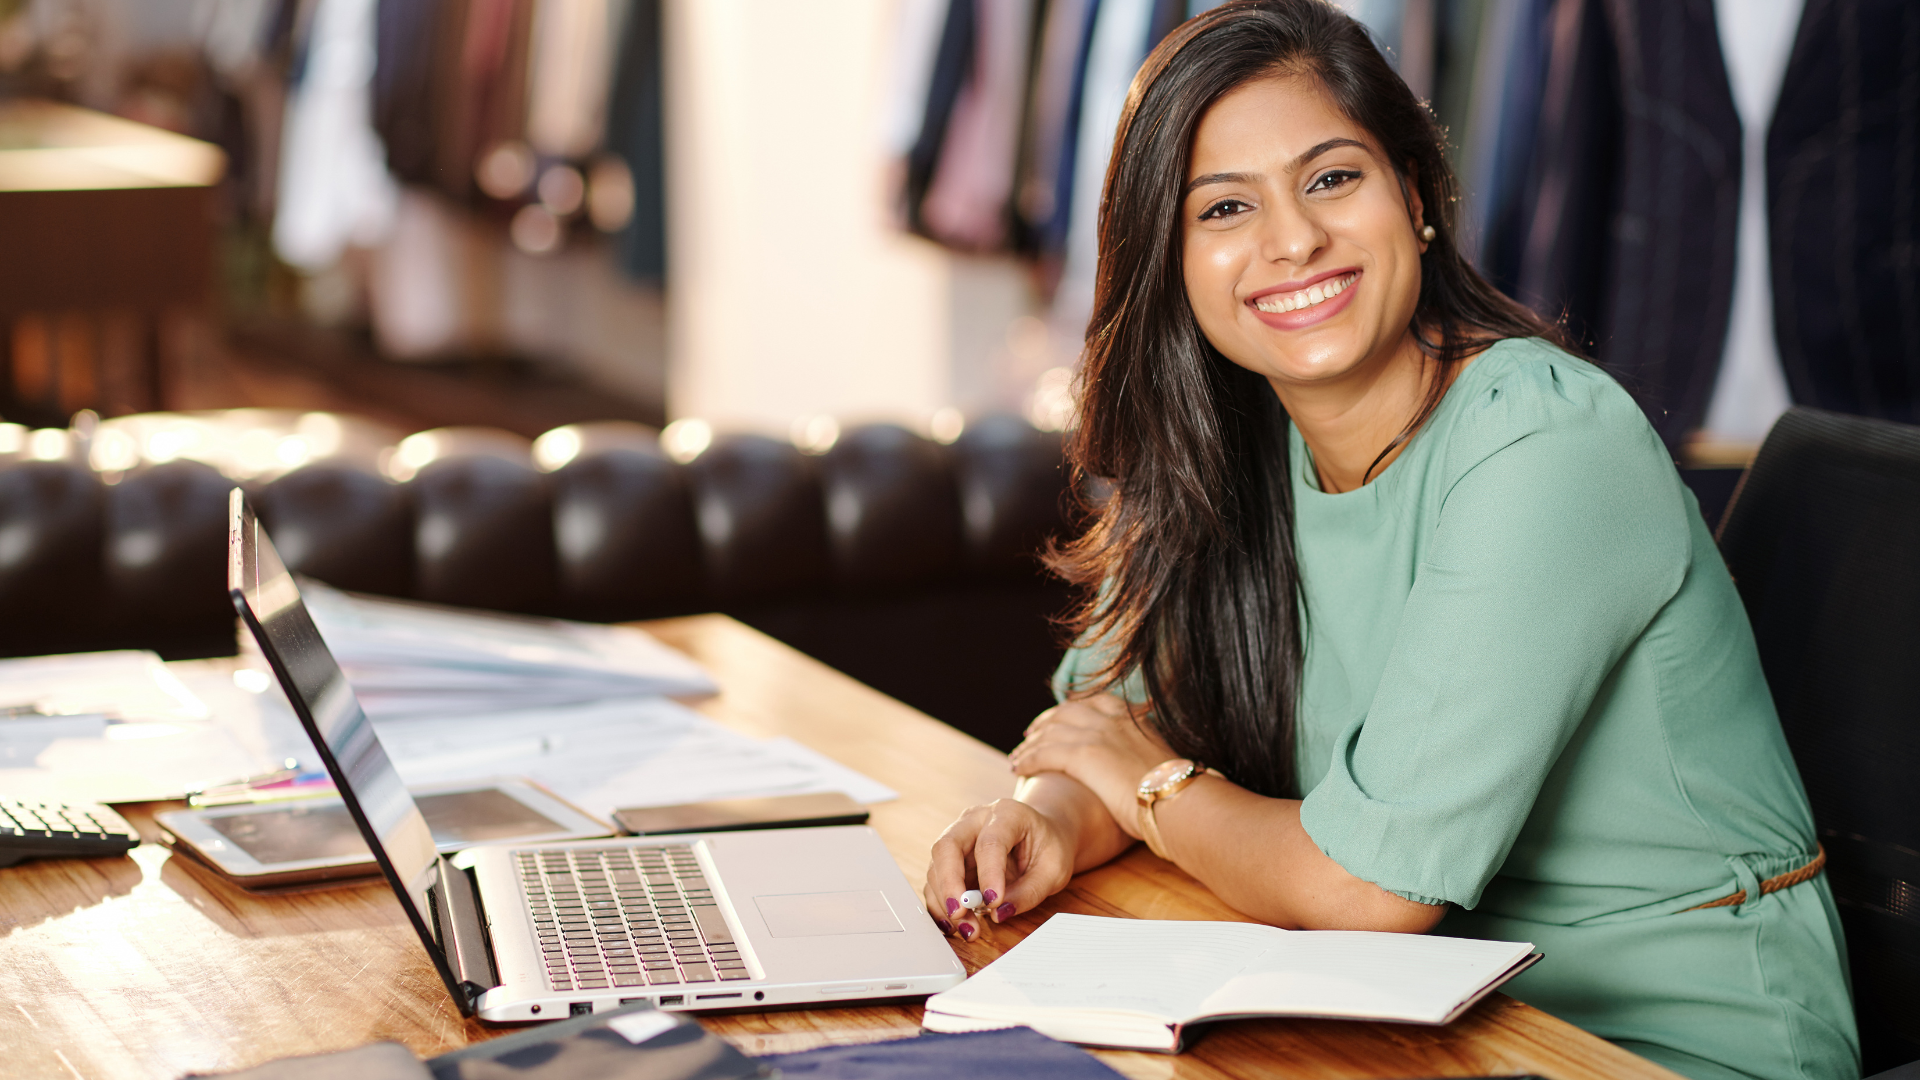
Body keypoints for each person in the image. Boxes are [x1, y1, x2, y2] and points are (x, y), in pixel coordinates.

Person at [919, 3, 1858, 1078]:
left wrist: (1153, 789)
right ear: (1169, 259)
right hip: (1415, 1021)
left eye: (1331, 179)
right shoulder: (1231, 447)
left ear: (1414, 196)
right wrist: (1043, 818)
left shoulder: (1542, 439)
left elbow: (1370, 890)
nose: (1292, 240)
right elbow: (1107, 721)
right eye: (1224, 207)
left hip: (1665, 1040)